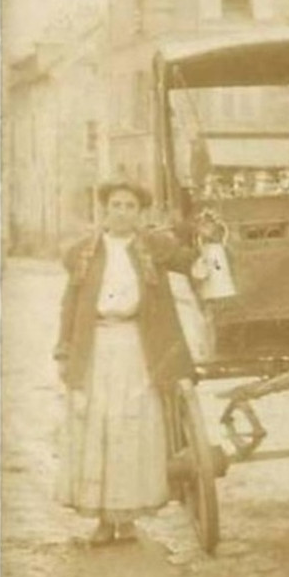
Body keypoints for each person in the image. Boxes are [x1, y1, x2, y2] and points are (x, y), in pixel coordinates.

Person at [54, 179, 204, 545]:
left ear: (140, 214)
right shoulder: (84, 252)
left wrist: (205, 236)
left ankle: (128, 518)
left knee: (132, 428)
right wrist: (64, 350)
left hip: (138, 348)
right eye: (116, 205)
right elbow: (71, 304)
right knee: (99, 427)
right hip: (95, 349)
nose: (122, 212)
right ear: (105, 209)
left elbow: (193, 263)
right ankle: (103, 521)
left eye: (130, 207)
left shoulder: (154, 247)